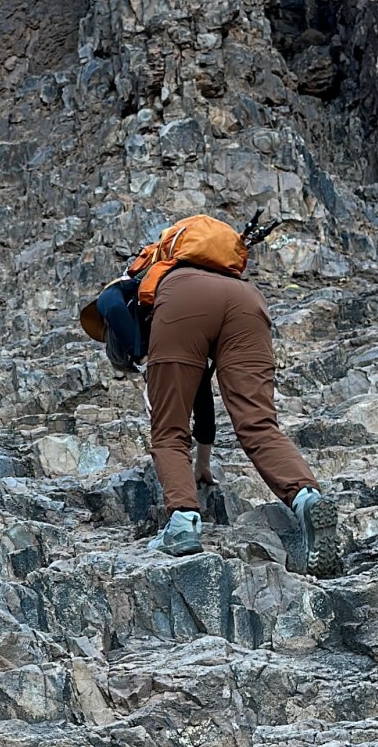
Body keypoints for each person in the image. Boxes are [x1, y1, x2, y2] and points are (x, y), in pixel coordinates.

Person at [144, 226, 338, 577]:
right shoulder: (229, 279)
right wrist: (203, 462)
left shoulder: (149, 293)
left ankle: (182, 523)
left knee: (167, 429)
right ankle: (306, 497)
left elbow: (181, 410)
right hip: (246, 301)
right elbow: (201, 391)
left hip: (185, 299)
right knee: (259, 424)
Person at [91, 274, 218, 494]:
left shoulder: (124, 293)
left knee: (166, 435)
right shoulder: (172, 328)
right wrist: (203, 463)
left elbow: (109, 304)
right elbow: (204, 400)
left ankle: (183, 510)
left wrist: (142, 360)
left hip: (201, 307)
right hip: (219, 306)